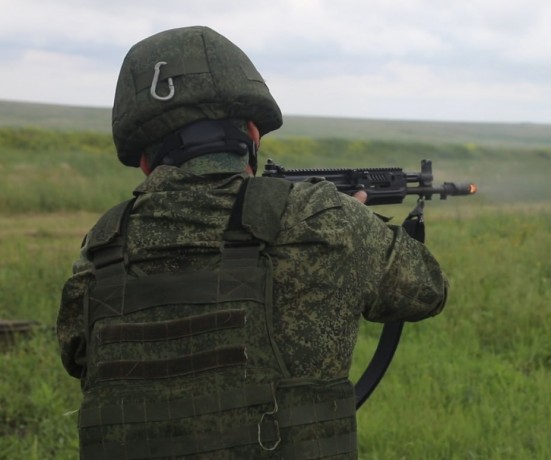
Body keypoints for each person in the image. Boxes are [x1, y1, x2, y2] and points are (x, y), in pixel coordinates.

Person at [56, 25, 448, 459]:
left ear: (145, 161)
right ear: (253, 135)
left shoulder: (102, 245)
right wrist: (351, 221)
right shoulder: (325, 220)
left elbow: (77, 356)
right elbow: (426, 290)